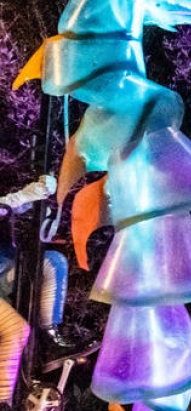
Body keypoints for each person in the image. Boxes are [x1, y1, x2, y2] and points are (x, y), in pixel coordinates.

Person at [0, 175, 95, 408]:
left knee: (52, 263)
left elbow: (6, 209)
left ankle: (49, 338)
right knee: (16, 328)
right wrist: (22, 197)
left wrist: (34, 196)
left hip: (4, 273)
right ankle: (3, 400)